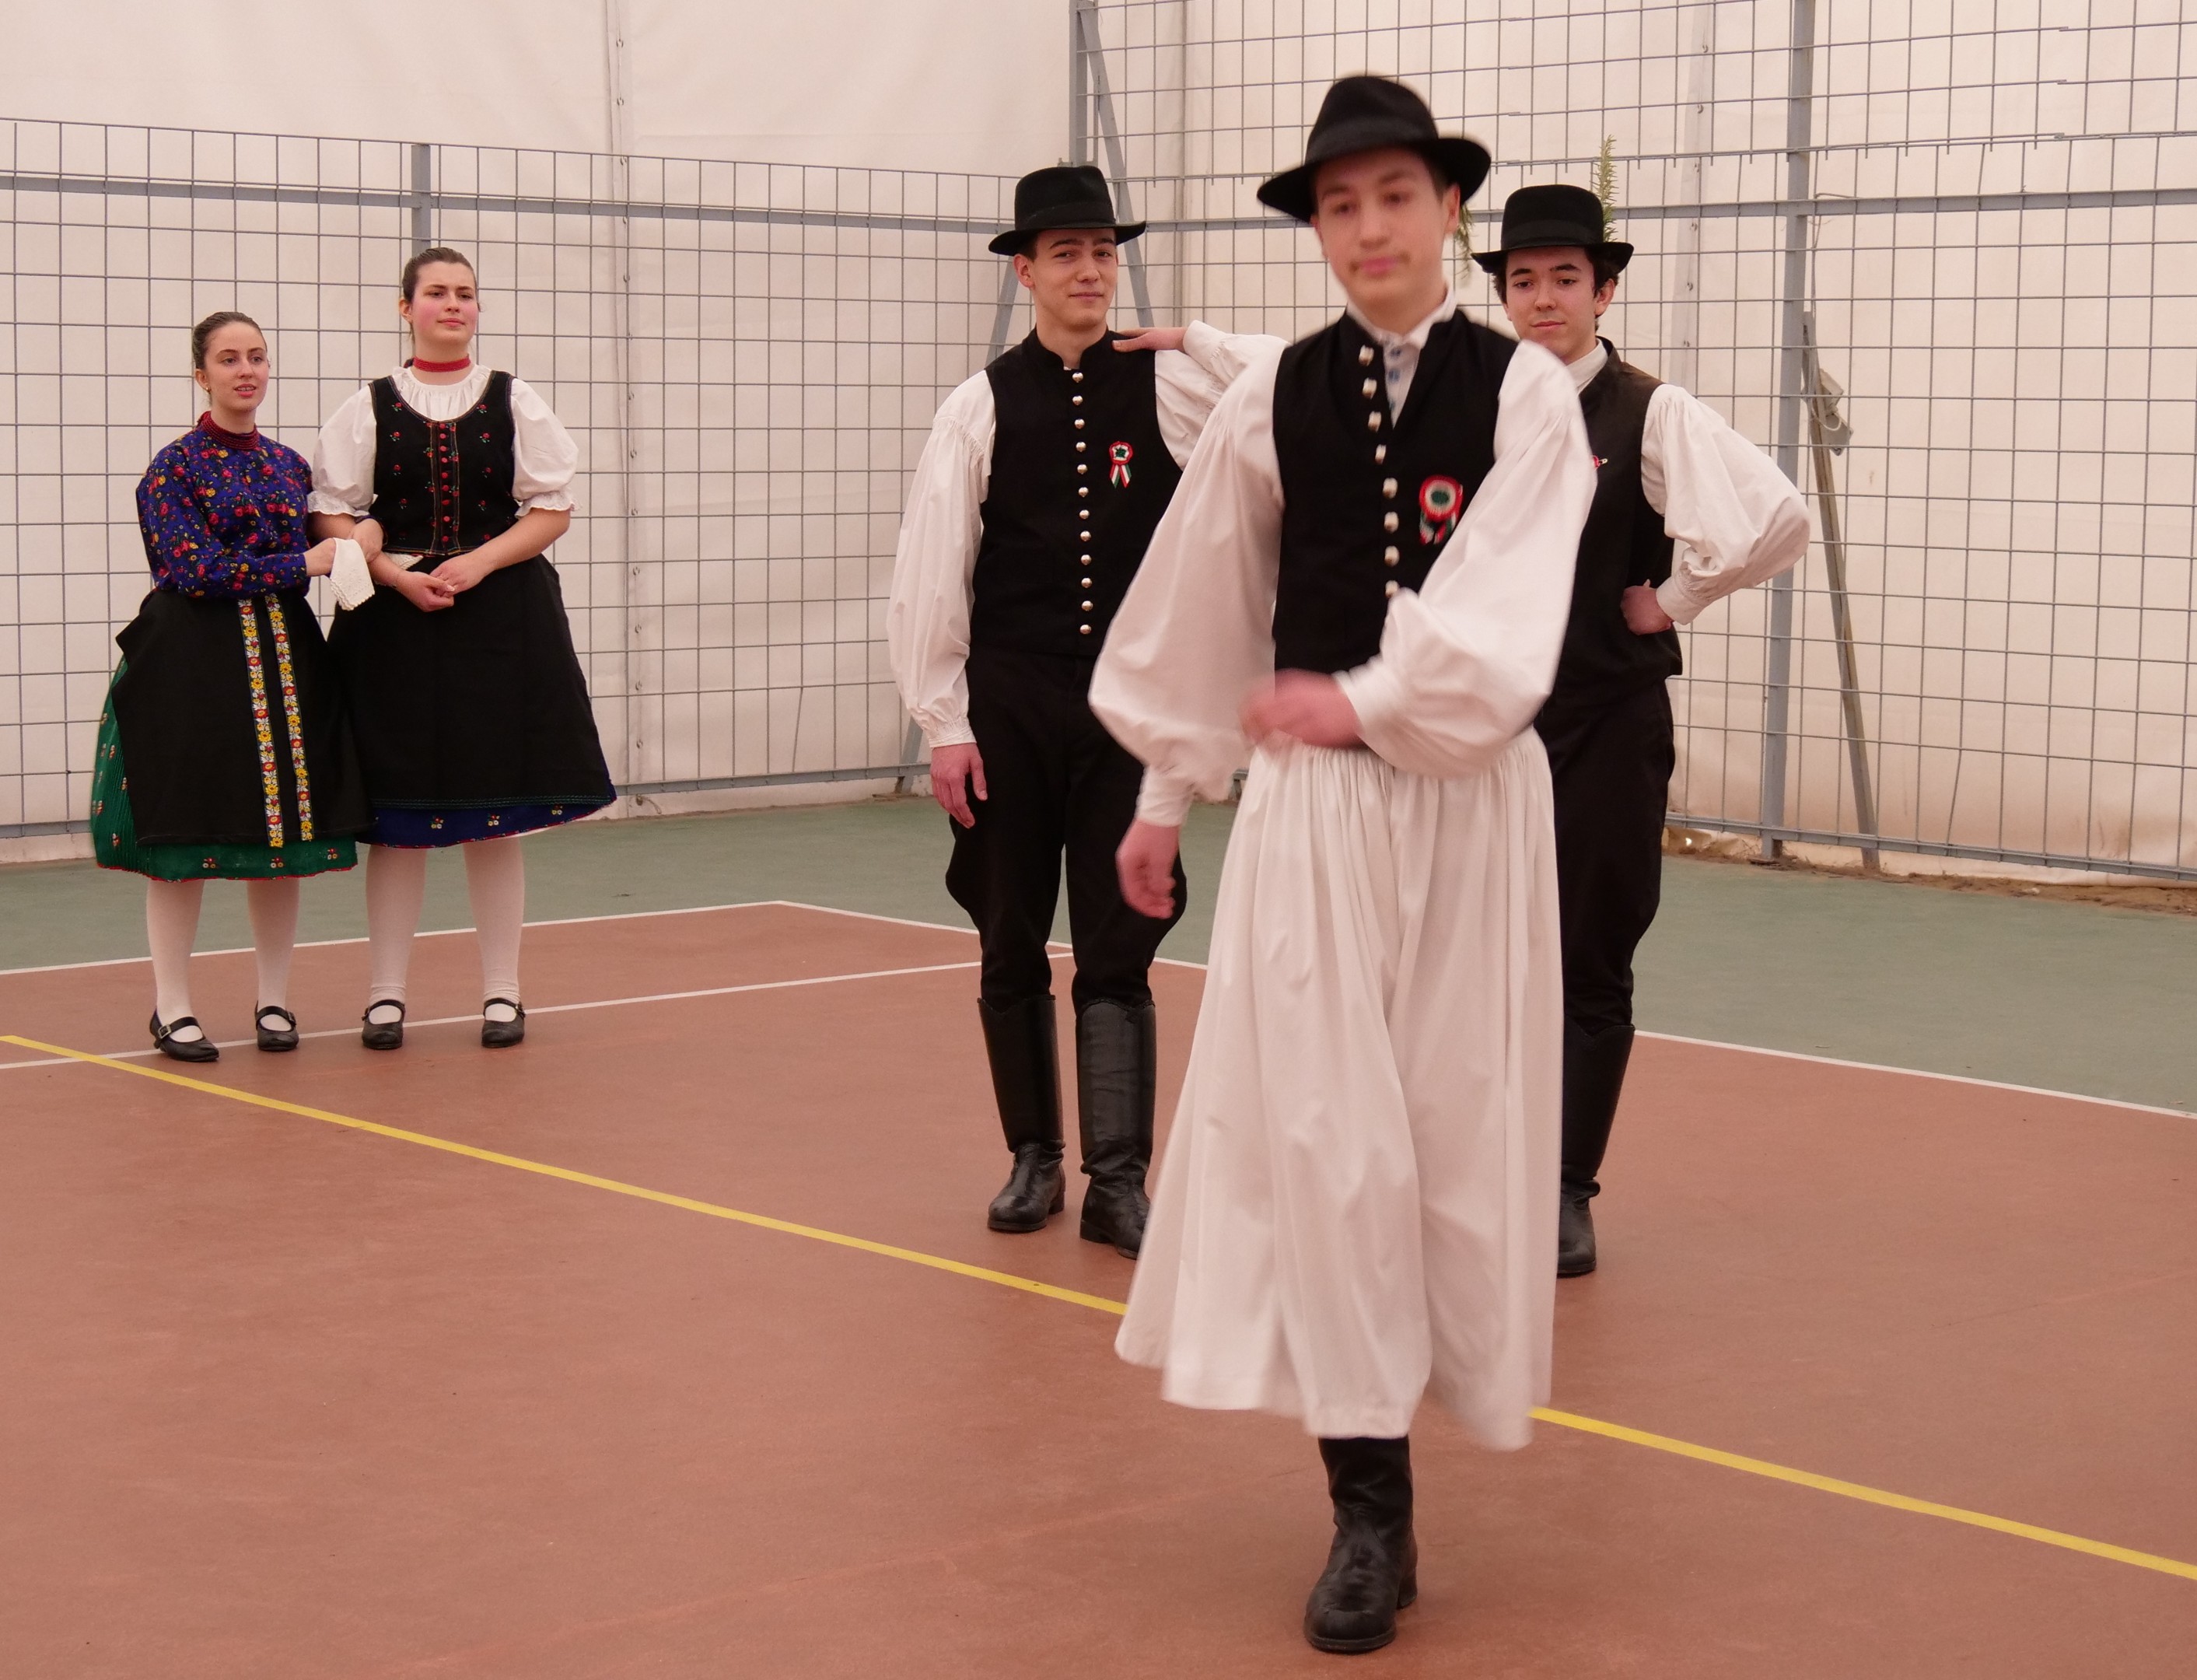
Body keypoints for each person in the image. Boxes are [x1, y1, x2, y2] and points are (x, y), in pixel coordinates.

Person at [1092, 77, 1596, 1654]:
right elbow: (1207, 603)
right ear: (1315, 230)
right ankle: (1366, 1510)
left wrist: (1368, 697)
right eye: (1337, 205)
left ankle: (1429, 1405)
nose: (1367, 229)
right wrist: (1164, 797)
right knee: (1325, 1144)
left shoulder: (1526, 396)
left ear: (1447, 210)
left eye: (1392, 197)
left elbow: (1506, 614)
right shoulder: (1271, 397)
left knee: (1446, 1135)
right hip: (1312, 819)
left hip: (1465, 814)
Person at [888, 165, 1279, 1257]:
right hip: (1009, 705)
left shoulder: (1170, 386)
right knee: (1009, 934)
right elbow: (932, 573)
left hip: (1125, 709)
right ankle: (1033, 1160)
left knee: (1119, 942)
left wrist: (1198, 338)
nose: (1091, 271)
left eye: (1103, 253)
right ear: (1025, 271)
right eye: (1067, 253)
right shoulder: (977, 406)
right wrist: (944, 721)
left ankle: (1118, 1181)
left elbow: (1296, 391)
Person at [1475, 186, 1809, 1276]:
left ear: (1603, 291)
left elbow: (1775, 517)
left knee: (1590, 953)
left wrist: (1672, 598)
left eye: (1564, 279)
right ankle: (1483, 1175)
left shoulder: (1647, 413)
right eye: (1523, 280)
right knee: (1474, 956)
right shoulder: (1472, 407)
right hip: (1487, 730)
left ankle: (1565, 1191)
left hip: (1606, 724)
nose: (1542, 298)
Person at [309, 247, 614, 1051]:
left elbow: (551, 510)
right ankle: (385, 996)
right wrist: (393, 574)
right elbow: (331, 513)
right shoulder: (368, 405)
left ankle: (503, 993)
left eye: (465, 294)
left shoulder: (515, 399)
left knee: (495, 810)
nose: (453, 305)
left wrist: (476, 563)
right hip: (394, 621)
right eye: (437, 293)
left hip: (499, 618)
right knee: (396, 815)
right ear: (405, 307)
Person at [93, 310, 373, 1061]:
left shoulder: (289, 466)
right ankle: (172, 1007)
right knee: (182, 833)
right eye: (228, 359)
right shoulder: (172, 468)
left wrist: (361, 541)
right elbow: (190, 569)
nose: (246, 370)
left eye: (256, 357)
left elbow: (337, 539)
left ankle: (274, 1000)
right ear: (202, 374)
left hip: (286, 665)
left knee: (280, 837)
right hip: (192, 668)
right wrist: (302, 565)